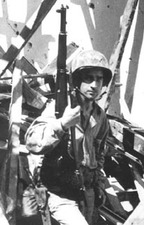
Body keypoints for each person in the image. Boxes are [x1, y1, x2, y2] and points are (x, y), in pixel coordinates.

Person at [25, 49, 112, 225]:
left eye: (99, 78)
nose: (94, 85)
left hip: (86, 193)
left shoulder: (99, 116)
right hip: (59, 193)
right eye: (88, 78)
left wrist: (99, 186)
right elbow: (32, 142)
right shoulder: (60, 109)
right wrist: (63, 124)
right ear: (77, 81)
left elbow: (99, 153)